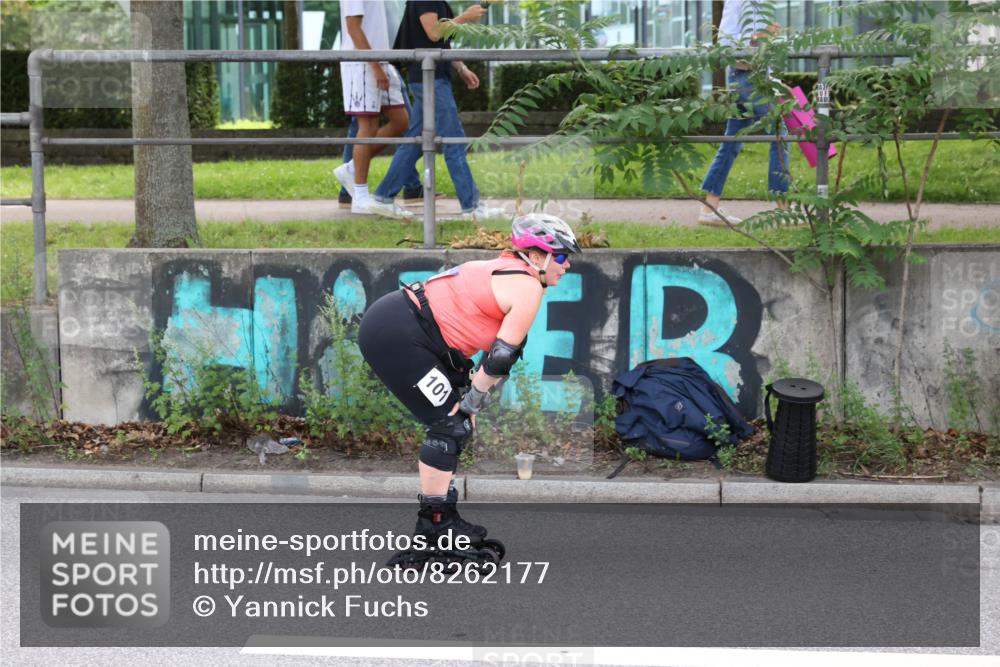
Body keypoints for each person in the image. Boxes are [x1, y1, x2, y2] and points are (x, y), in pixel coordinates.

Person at [358, 214, 581, 561]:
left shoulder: (505, 268)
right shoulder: (528, 286)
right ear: (537, 256)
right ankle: (433, 530)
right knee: (451, 423)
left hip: (406, 326)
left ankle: (441, 518)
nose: (567, 267)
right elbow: (499, 358)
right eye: (563, 257)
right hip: (399, 335)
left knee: (457, 424)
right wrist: (471, 402)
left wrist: (469, 398)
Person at [366, 1, 505, 222]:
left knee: (415, 141)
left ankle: (382, 197)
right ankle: (472, 207)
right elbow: (433, 33)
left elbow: (440, 43)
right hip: (430, 81)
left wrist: (461, 67)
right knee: (454, 140)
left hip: (428, 79)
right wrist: (465, 17)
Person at [698, 0, 789, 226]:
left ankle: (709, 208)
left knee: (732, 142)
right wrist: (760, 37)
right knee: (779, 131)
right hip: (745, 78)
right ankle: (784, 209)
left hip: (753, 77)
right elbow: (726, 43)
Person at [336, 0, 424, 210]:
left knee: (402, 122)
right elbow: (353, 27)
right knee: (367, 126)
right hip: (362, 64)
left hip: (382, 61)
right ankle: (360, 195)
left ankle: (352, 169)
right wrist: (374, 65)